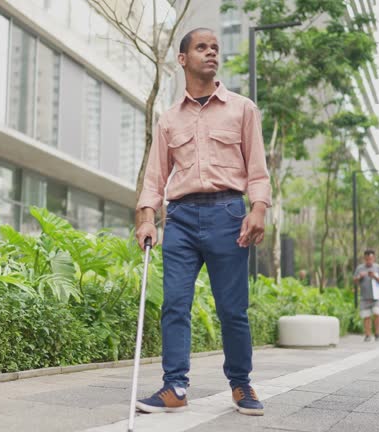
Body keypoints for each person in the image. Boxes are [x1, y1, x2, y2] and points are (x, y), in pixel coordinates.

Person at [134, 27, 271, 416]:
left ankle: (241, 384)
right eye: (201, 47)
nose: (211, 53)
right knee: (174, 305)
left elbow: (258, 170)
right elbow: (154, 179)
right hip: (179, 219)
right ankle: (174, 386)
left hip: (228, 214)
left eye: (215, 48)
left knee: (233, 309)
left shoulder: (243, 109)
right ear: (182, 59)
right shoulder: (167, 120)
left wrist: (258, 208)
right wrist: (147, 219)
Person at [353, 249, 379, 341]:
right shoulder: (360, 268)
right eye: (367, 259)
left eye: (370, 259)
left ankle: (377, 334)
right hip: (364, 297)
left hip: (377, 297)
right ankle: (368, 335)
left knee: (377, 313)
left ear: (374, 258)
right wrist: (360, 276)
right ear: (364, 258)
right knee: (366, 316)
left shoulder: (378, 267)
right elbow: (354, 280)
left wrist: (375, 276)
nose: (369, 261)